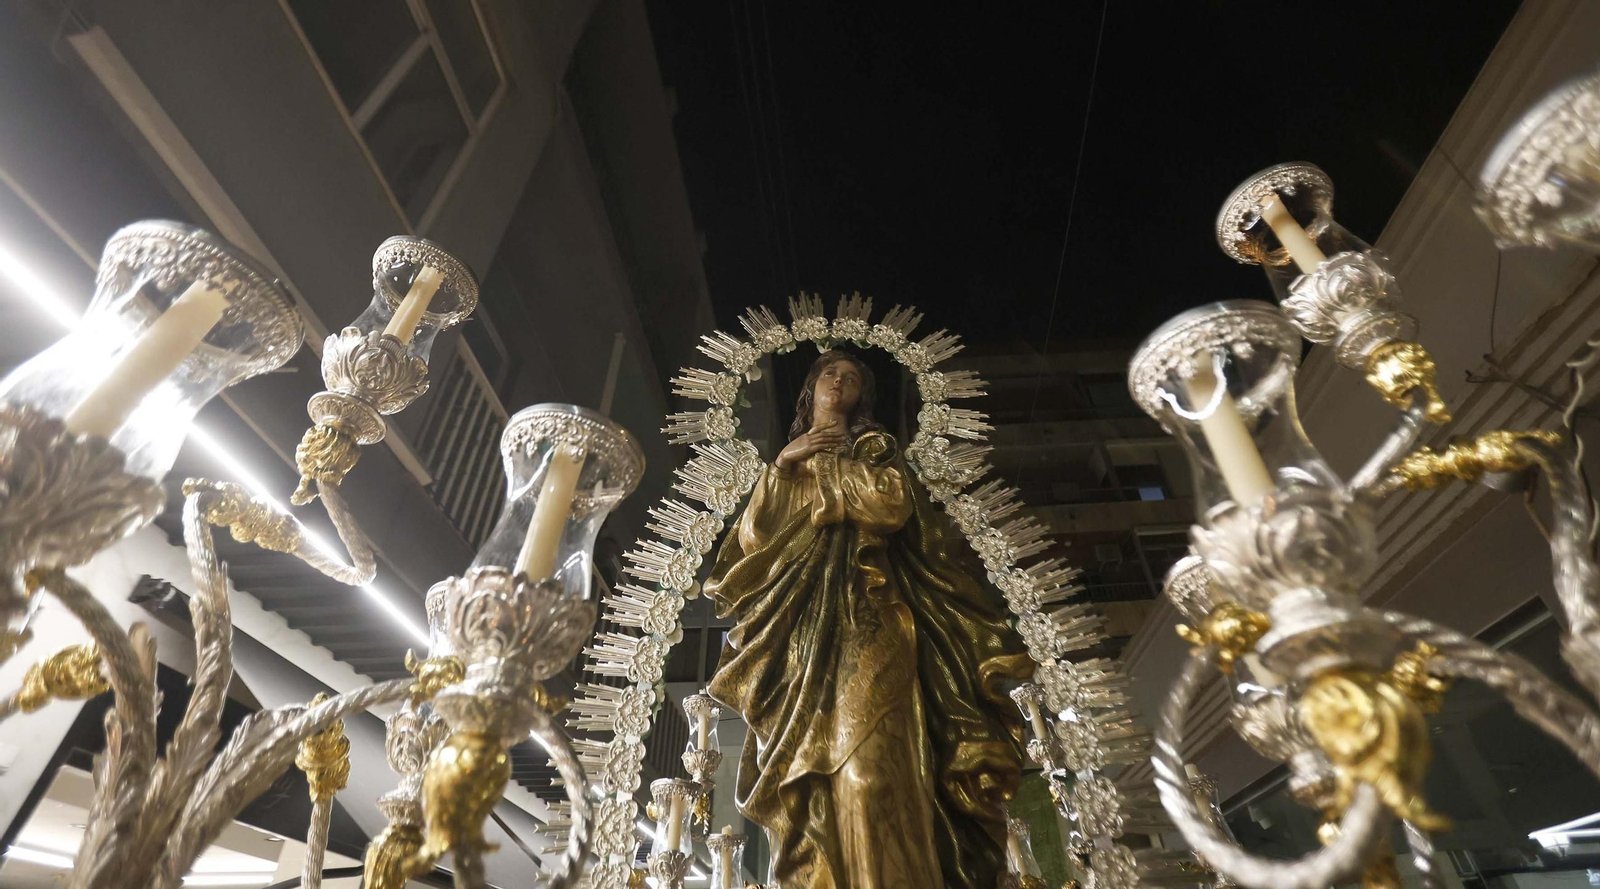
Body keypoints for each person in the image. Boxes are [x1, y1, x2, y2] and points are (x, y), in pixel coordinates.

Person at [705, 349, 1032, 889]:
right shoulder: (784, 465)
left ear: (861, 397)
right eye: (829, 374)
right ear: (810, 389)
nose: (839, 382)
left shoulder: (873, 450)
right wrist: (786, 466)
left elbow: (889, 508)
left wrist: (831, 468)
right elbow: (755, 546)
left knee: (873, 775)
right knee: (810, 791)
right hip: (795, 637)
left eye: (851, 378)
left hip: (870, 615)